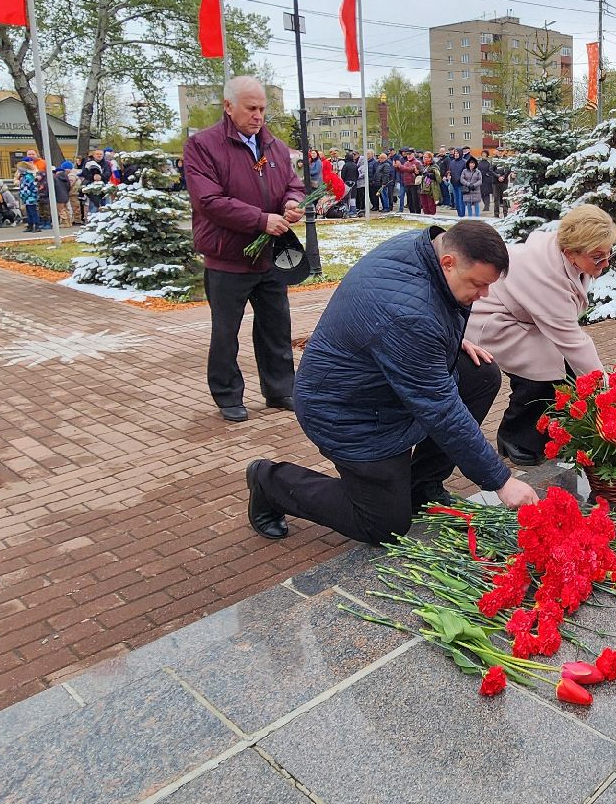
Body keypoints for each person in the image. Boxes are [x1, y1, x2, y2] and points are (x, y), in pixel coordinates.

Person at [246, 220, 538, 542]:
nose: (483, 295)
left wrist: (447, 341)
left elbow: (426, 316)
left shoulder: (428, 245)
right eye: (477, 284)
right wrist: (500, 481)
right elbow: (440, 409)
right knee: (385, 525)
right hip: (346, 411)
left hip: (378, 382)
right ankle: (269, 481)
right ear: (449, 262)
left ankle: (421, 486)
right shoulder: (410, 315)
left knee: (480, 375)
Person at [182, 75, 306, 422]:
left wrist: (293, 202)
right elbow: (208, 200)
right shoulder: (203, 146)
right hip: (228, 257)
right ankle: (227, 394)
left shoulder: (275, 147)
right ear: (228, 106)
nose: (258, 116)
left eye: (262, 108)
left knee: (276, 326)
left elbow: (292, 186)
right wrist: (259, 219)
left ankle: (281, 388)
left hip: (269, 254)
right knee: (226, 332)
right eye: (251, 108)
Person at [467, 206, 614, 466]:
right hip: (490, 320)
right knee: (543, 369)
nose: (606, 262)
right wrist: (607, 389)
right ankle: (515, 437)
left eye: (609, 253)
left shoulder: (566, 257)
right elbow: (572, 340)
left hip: (519, 317)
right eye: (598, 257)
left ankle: (545, 433)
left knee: (563, 368)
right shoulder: (546, 277)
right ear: (571, 253)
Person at [17, 162, 42, 232]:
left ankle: (37, 226)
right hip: (26, 198)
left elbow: (32, 187)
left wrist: (31, 195)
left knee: (33, 212)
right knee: (29, 213)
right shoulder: (24, 177)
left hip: (30, 197)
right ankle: (30, 225)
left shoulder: (28, 177)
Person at [478, 150, 500, 216]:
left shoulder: (489, 162)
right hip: (480, 179)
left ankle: (487, 206)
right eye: (482, 154)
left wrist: (488, 174)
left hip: (487, 179)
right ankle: (485, 204)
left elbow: (491, 170)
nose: (483, 155)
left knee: (486, 193)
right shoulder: (479, 162)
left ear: (487, 154)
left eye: (484, 154)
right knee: (481, 193)